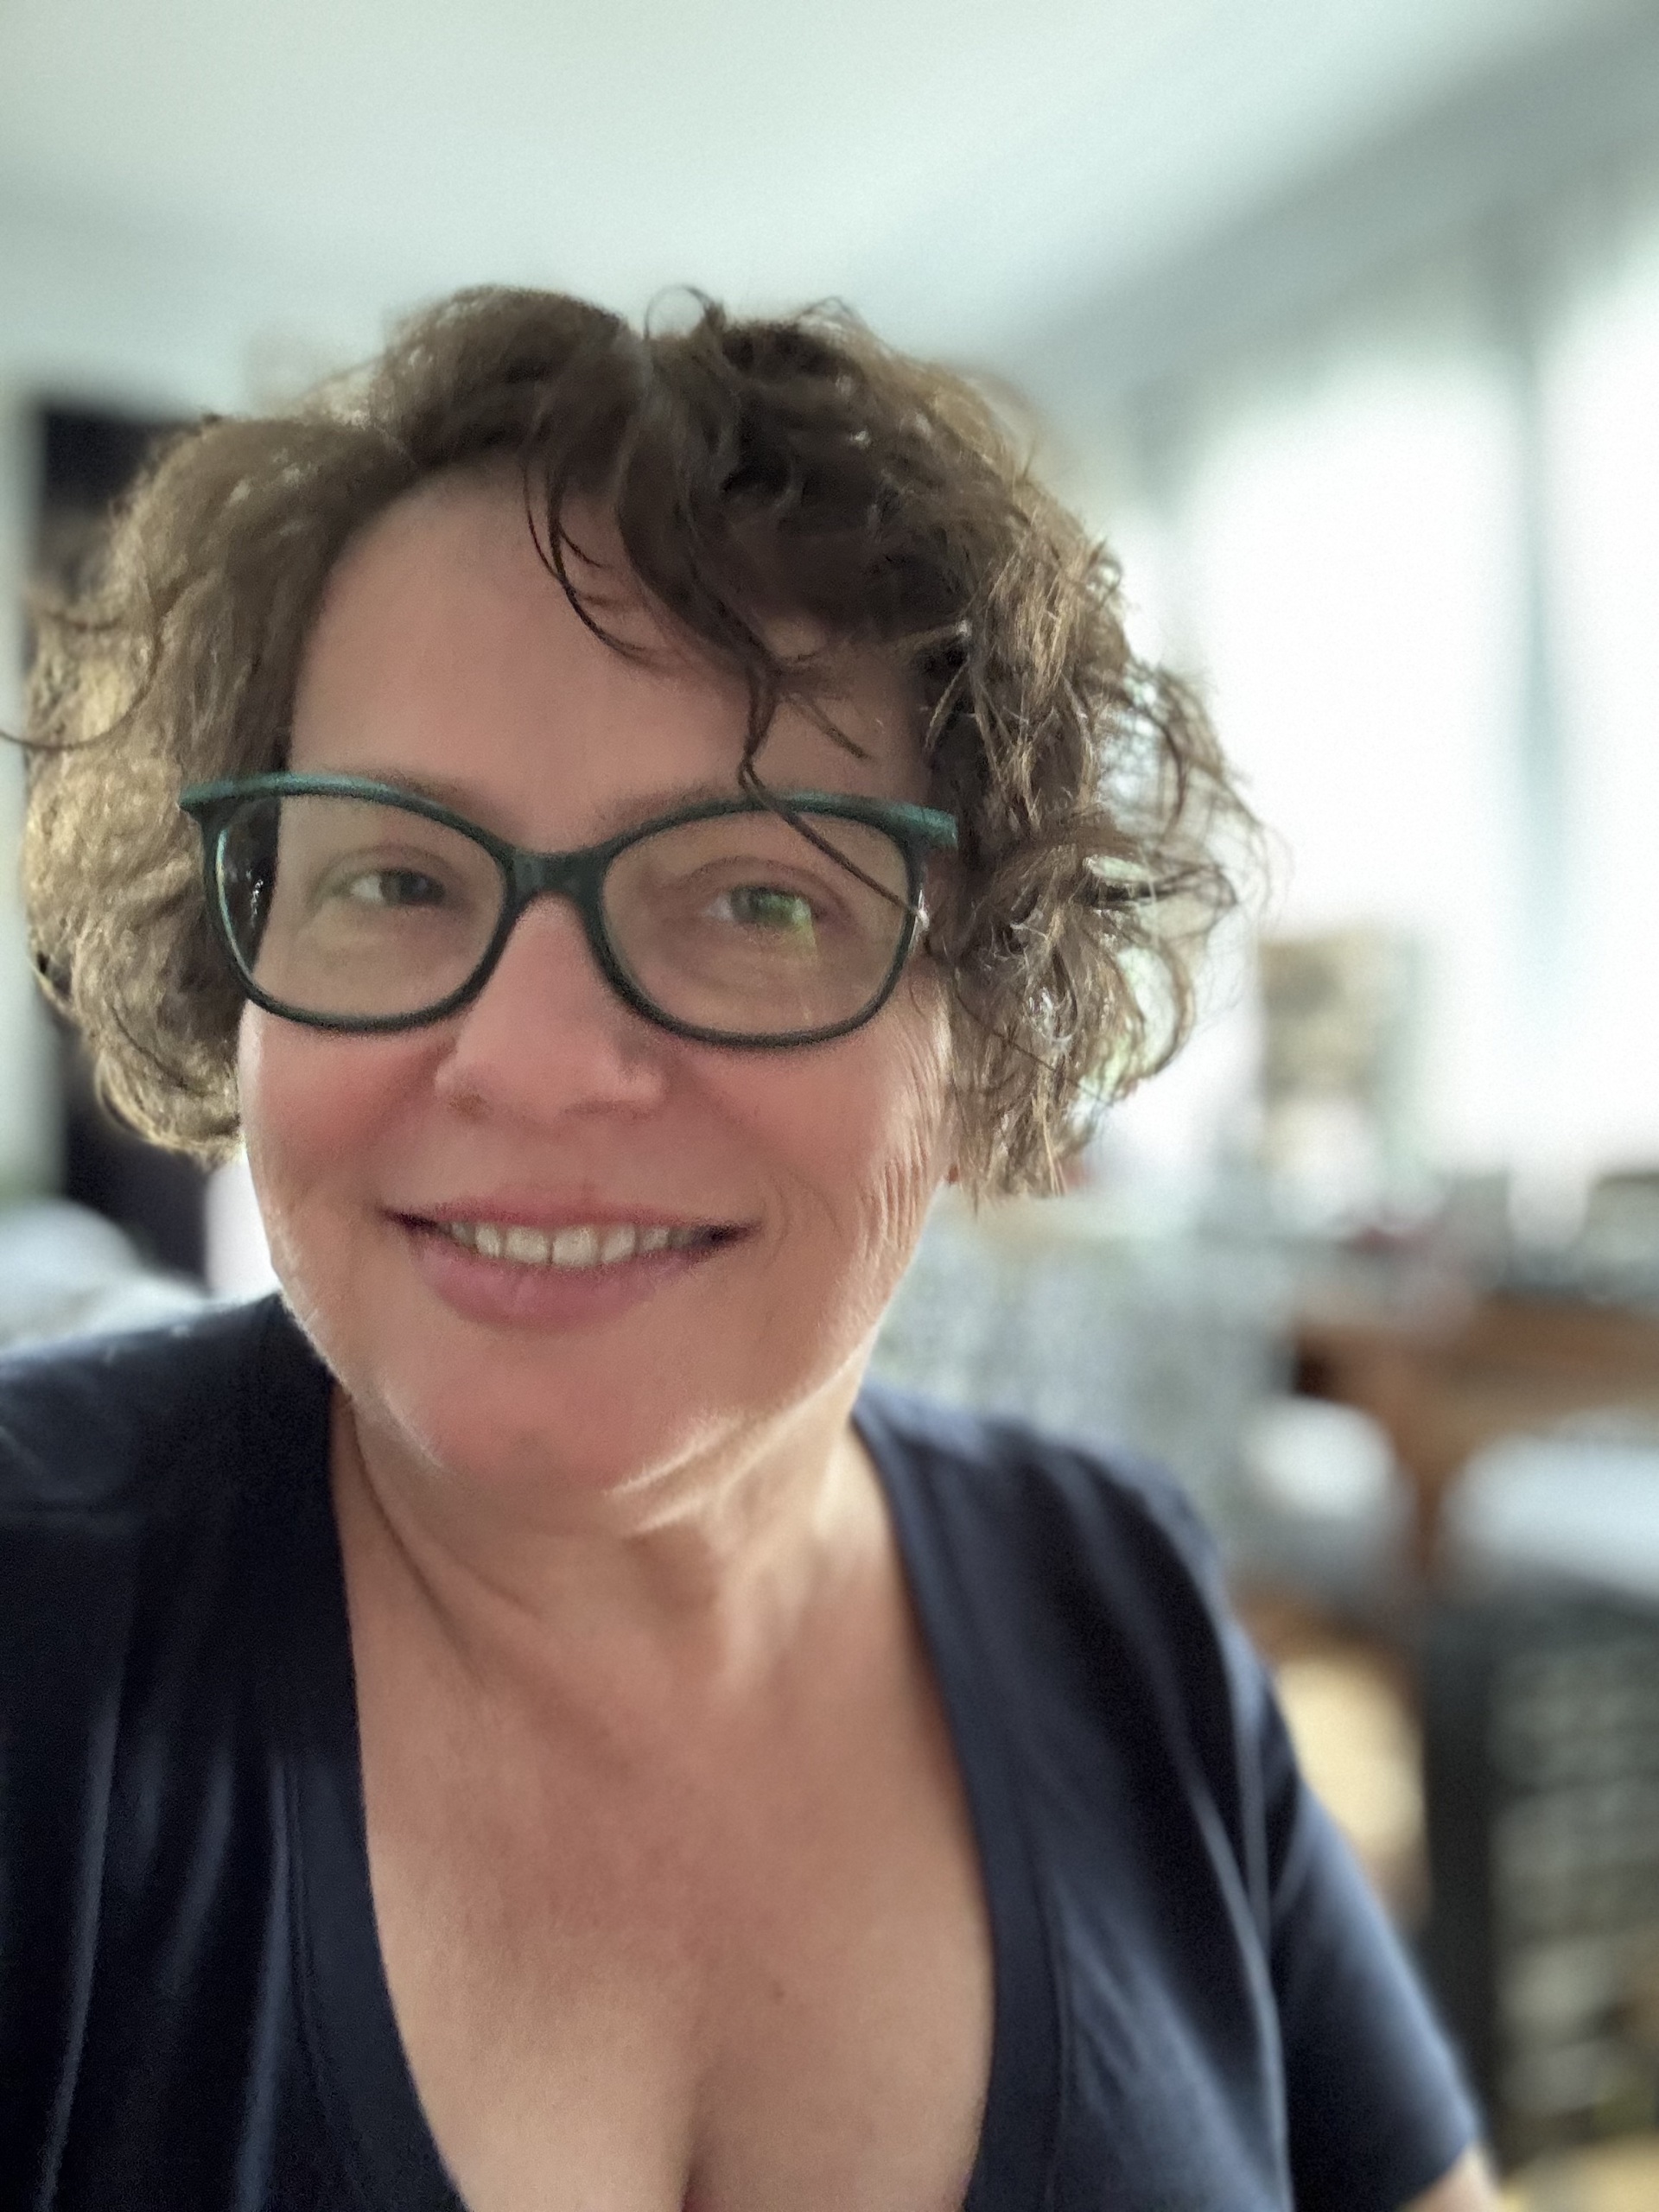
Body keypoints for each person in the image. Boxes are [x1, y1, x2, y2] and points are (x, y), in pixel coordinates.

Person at [3, 289, 1492, 2212]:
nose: (531, 1061)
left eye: (760, 897)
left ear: (985, 1026)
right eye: (392, 873)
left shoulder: (1120, 1597)